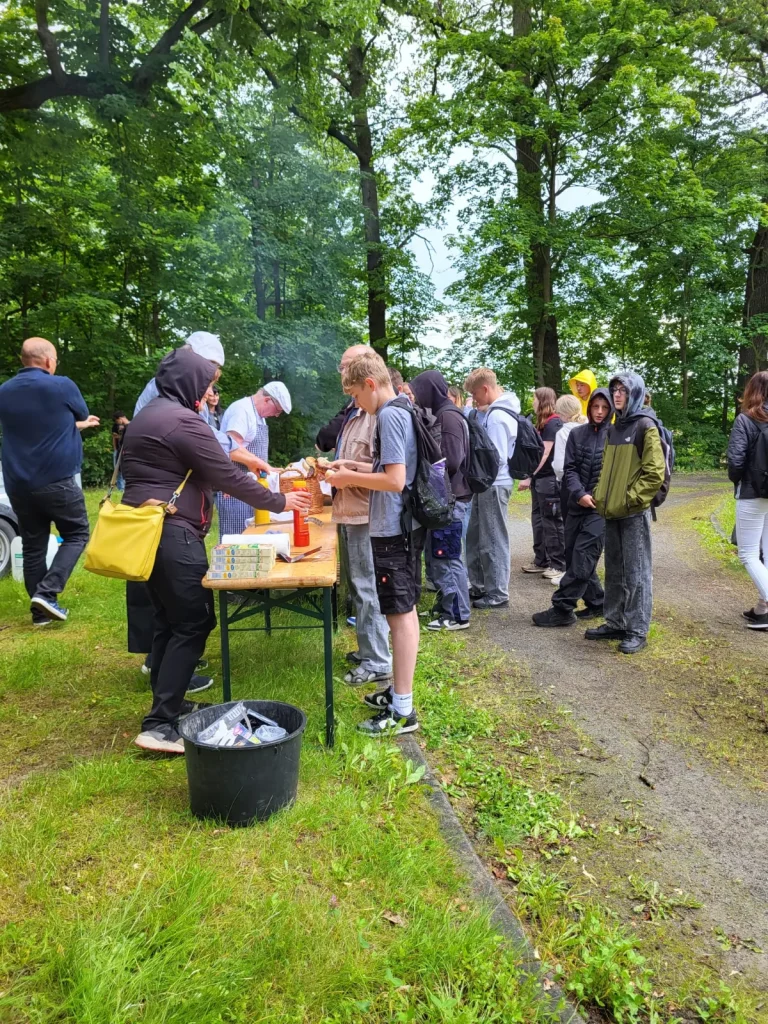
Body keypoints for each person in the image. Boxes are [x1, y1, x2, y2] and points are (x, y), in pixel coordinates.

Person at [121, 346, 310, 754]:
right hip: (174, 532)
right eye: (206, 385)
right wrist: (279, 502)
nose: (210, 394)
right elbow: (225, 474)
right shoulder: (183, 422)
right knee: (194, 620)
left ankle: (168, 702)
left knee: (167, 620)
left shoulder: (146, 417)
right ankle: (159, 724)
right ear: (189, 382)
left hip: (143, 532)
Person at [328, 351, 421, 735]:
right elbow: (387, 468)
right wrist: (350, 467)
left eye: (356, 395)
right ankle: (398, 695)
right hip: (395, 525)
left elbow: (396, 480)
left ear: (370, 384)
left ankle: (403, 710)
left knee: (400, 617)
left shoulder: (388, 415)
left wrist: (348, 481)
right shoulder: (397, 409)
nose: (357, 405)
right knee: (403, 614)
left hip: (392, 527)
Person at [0, 337, 99, 625]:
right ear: (48, 361)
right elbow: (78, 412)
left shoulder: (4, 391)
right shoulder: (61, 385)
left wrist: (78, 426)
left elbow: (41, 426)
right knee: (77, 533)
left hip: (18, 483)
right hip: (57, 480)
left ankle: (39, 614)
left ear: (23, 360)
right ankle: (48, 592)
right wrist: (82, 422)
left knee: (33, 545)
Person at [588, 372, 665, 654]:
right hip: (611, 511)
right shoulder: (614, 427)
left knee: (636, 572)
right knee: (615, 570)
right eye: (614, 389)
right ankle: (615, 621)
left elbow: (655, 472)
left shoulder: (646, 426)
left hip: (632, 512)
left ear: (634, 393)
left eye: (623, 390)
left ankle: (637, 629)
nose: (617, 394)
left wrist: (631, 500)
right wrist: (601, 496)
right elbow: (606, 468)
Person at [329, 352, 393, 686]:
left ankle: (378, 661)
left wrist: (347, 475)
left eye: (347, 367)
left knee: (368, 589)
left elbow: (389, 473)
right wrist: (341, 467)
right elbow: (364, 463)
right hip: (353, 512)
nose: (343, 372)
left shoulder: (380, 415)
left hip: (366, 514)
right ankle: (370, 649)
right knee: (361, 587)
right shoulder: (360, 411)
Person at [532, 388, 613, 627]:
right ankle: (597, 601)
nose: (599, 412)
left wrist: (596, 497)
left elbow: (614, 474)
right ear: (589, 408)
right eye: (595, 407)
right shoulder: (577, 434)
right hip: (575, 503)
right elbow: (569, 469)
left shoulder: (614, 436)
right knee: (573, 555)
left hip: (601, 508)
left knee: (582, 556)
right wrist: (579, 494)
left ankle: (562, 607)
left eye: (604, 408)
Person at [410, 370, 472, 630]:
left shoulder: (448, 417)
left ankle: (457, 614)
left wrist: (429, 473)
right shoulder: (443, 413)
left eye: (418, 391)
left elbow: (453, 460)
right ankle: (444, 606)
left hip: (452, 499)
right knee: (438, 557)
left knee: (447, 556)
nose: (416, 397)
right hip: (446, 498)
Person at [463, 367, 519, 610]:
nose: (474, 399)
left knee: (493, 538)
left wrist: (477, 475)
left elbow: (495, 457)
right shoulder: (497, 412)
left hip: (494, 484)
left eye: (475, 394)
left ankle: (497, 592)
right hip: (487, 484)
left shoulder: (497, 417)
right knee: (477, 536)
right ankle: (480, 585)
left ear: (485, 389)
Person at [216, 382, 292, 536]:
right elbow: (231, 449)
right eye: (277, 410)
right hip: (233, 487)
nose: (276, 415)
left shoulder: (258, 416)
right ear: (267, 400)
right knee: (237, 540)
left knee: (253, 538)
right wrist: (261, 464)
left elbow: (250, 452)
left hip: (250, 488)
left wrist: (267, 468)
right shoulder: (242, 410)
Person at [727, 370, 768, 629]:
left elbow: (736, 461)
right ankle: (762, 609)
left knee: (749, 554)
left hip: (753, 493)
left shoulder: (746, 420)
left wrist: (738, 480)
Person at [519, 387, 564, 580]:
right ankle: (541, 559)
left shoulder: (554, 423)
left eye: (535, 399)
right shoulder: (541, 423)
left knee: (551, 522)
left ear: (543, 400)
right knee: (538, 520)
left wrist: (529, 475)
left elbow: (545, 453)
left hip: (549, 480)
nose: (532, 402)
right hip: (540, 480)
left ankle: (559, 564)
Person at [112, 411, 129, 490]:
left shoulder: (128, 427)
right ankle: (121, 488)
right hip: (120, 450)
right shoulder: (126, 427)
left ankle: (123, 488)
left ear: (120, 418)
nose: (118, 423)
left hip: (125, 451)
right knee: (119, 469)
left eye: (117, 421)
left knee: (123, 470)